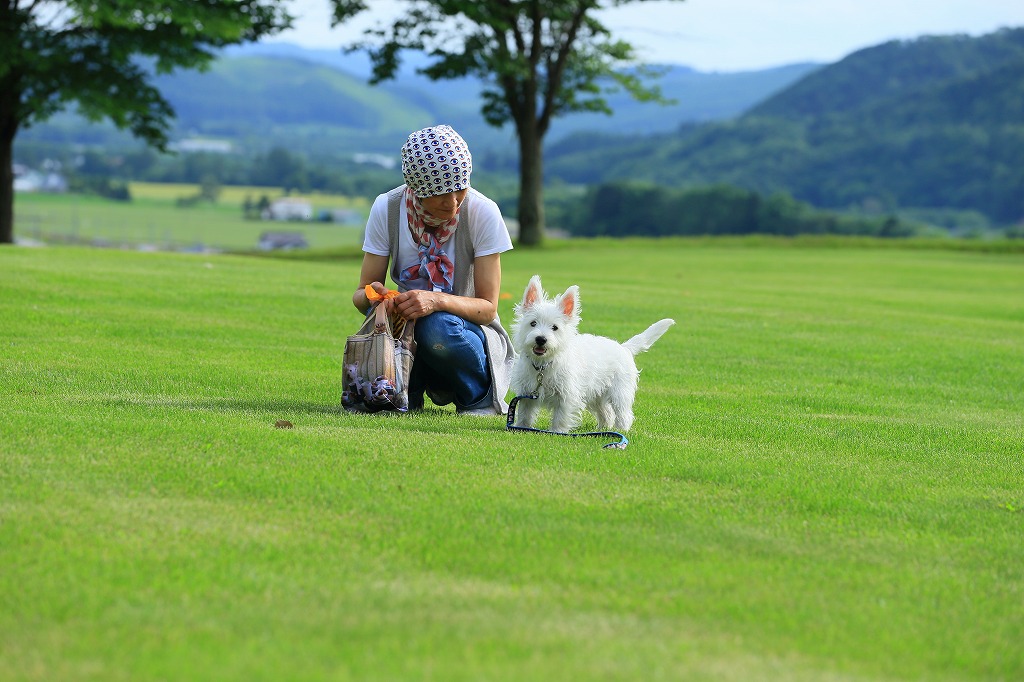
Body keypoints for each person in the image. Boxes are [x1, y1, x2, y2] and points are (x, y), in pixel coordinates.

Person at [352, 124, 515, 416]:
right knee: (392, 320)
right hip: (406, 330)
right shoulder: (387, 209)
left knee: (437, 326)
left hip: (466, 332)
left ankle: (477, 398)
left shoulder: (483, 212)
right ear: (416, 188)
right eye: (441, 193)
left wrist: (435, 301)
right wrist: (377, 297)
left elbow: (488, 308)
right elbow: (360, 295)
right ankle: (403, 394)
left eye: (460, 189)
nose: (453, 203)